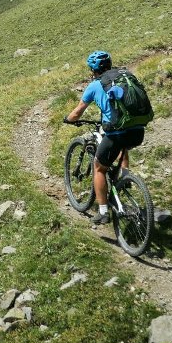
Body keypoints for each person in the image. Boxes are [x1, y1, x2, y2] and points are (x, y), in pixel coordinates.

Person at [64, 50, 146, 226]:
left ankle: (102, 212)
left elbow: (77, 112)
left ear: (93, 69)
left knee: (99, 168)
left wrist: (68, 120)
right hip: (138, 130)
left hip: (116, 133)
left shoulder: (95, 85)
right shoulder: (125, 76)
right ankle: (125, 179)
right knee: (122, 148)